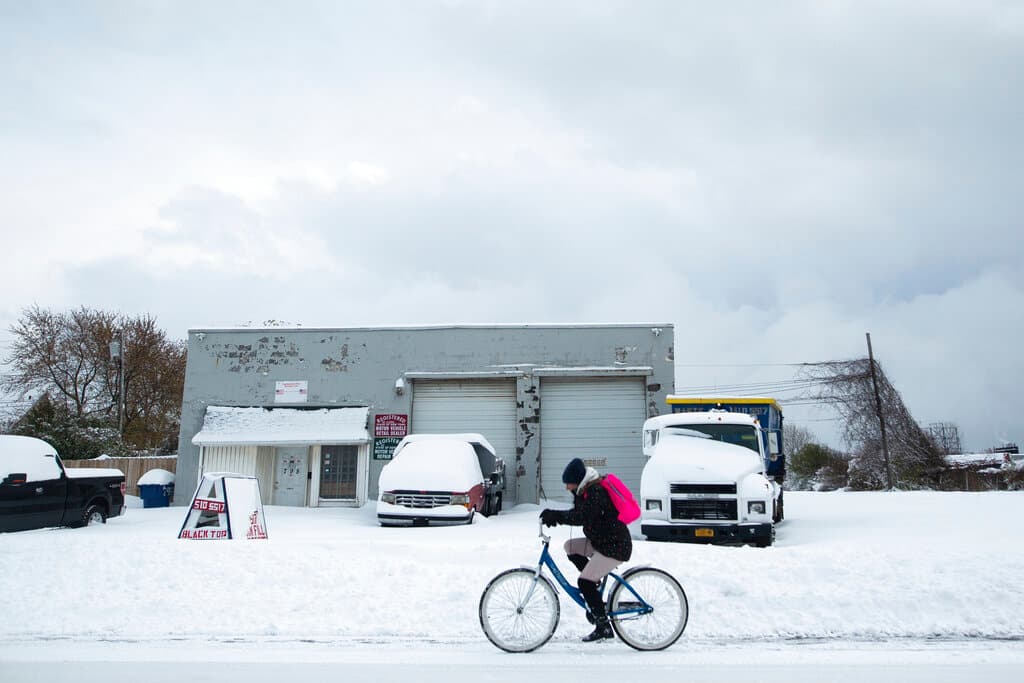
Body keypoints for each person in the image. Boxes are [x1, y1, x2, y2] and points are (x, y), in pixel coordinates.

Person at [540, 457, 632, 642]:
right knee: (570, 547)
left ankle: (603, 627)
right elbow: (579, 514)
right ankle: (594, 586)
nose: (567, 488)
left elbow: (582, 516)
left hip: (615, 547)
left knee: (585, 583)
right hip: (602, 542)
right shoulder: (585, 491)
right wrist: (556, 516)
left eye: (569, 484)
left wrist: (556, 516)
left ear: (579, 480)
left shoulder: (596, 492)